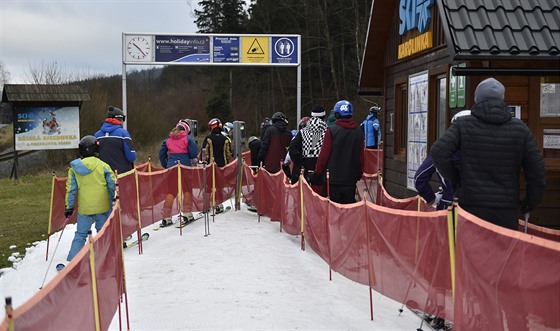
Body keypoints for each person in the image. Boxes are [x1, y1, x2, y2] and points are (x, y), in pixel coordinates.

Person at [430, 78, 546, 230]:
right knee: (504, 253)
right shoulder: (520, 129)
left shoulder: (463, 125)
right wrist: (530, 202)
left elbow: (438, 152)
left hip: (471, 207)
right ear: (502, 99)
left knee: (470, 253)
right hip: (506, 208)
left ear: (476, 99)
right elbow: (537, 170)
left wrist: (456, 179)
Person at [65, 135, 116, 262]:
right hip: (102, 206)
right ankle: (105, 257)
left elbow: (71, 189)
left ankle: (72, 261)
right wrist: (112, 200)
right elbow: (112, 185)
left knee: (81, 234)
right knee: (102, 232)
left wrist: (69, 207)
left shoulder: (74, 169)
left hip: (85, 207)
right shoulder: (104, 166)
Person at [414, 110, 471, 211]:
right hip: (478, 209)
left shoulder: (441, 150)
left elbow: (419, 178)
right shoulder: (485, 150)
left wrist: (431, 198)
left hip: (448, 205)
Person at [312, 100, 365, 204]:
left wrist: (317, 172)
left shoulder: (332, 130)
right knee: (348, 212)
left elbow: (324, 155)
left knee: (331, 210)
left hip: (332, 180)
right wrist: (358, 173)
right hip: (350, 179)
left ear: (336, 114)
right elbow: (361, 157)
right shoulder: (359, 132)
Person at [158, 119, 199, 226]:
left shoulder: (168, 140)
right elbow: (194, 153)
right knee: (187, 189)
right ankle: (187, 213)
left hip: (171, 167)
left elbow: (161, 154)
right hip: (185, 166)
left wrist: (166, 164)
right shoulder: (187, 139)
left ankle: (166, 216)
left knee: (171, 191)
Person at [200, 118, 233, 213]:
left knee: (208, 185)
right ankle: (219, 204)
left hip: (211, 165)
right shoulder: (225, 139)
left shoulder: (208, 138)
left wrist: (204, 161)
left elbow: (204, 152)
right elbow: (228, 153)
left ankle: (207, 205)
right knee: (219, 186)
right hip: (222, 166)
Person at [289, 105, 327, 185]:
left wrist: (301, 164)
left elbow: (292, 149)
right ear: (324, 117)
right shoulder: (327, 132)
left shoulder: (302, 132)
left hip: (305, 172)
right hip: (322, 172)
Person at [94, 106, 136, 175]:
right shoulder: (123, 134)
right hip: (122, 175)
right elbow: (131, 156)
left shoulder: (97, 135)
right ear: (120, 119)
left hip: (103, 175)